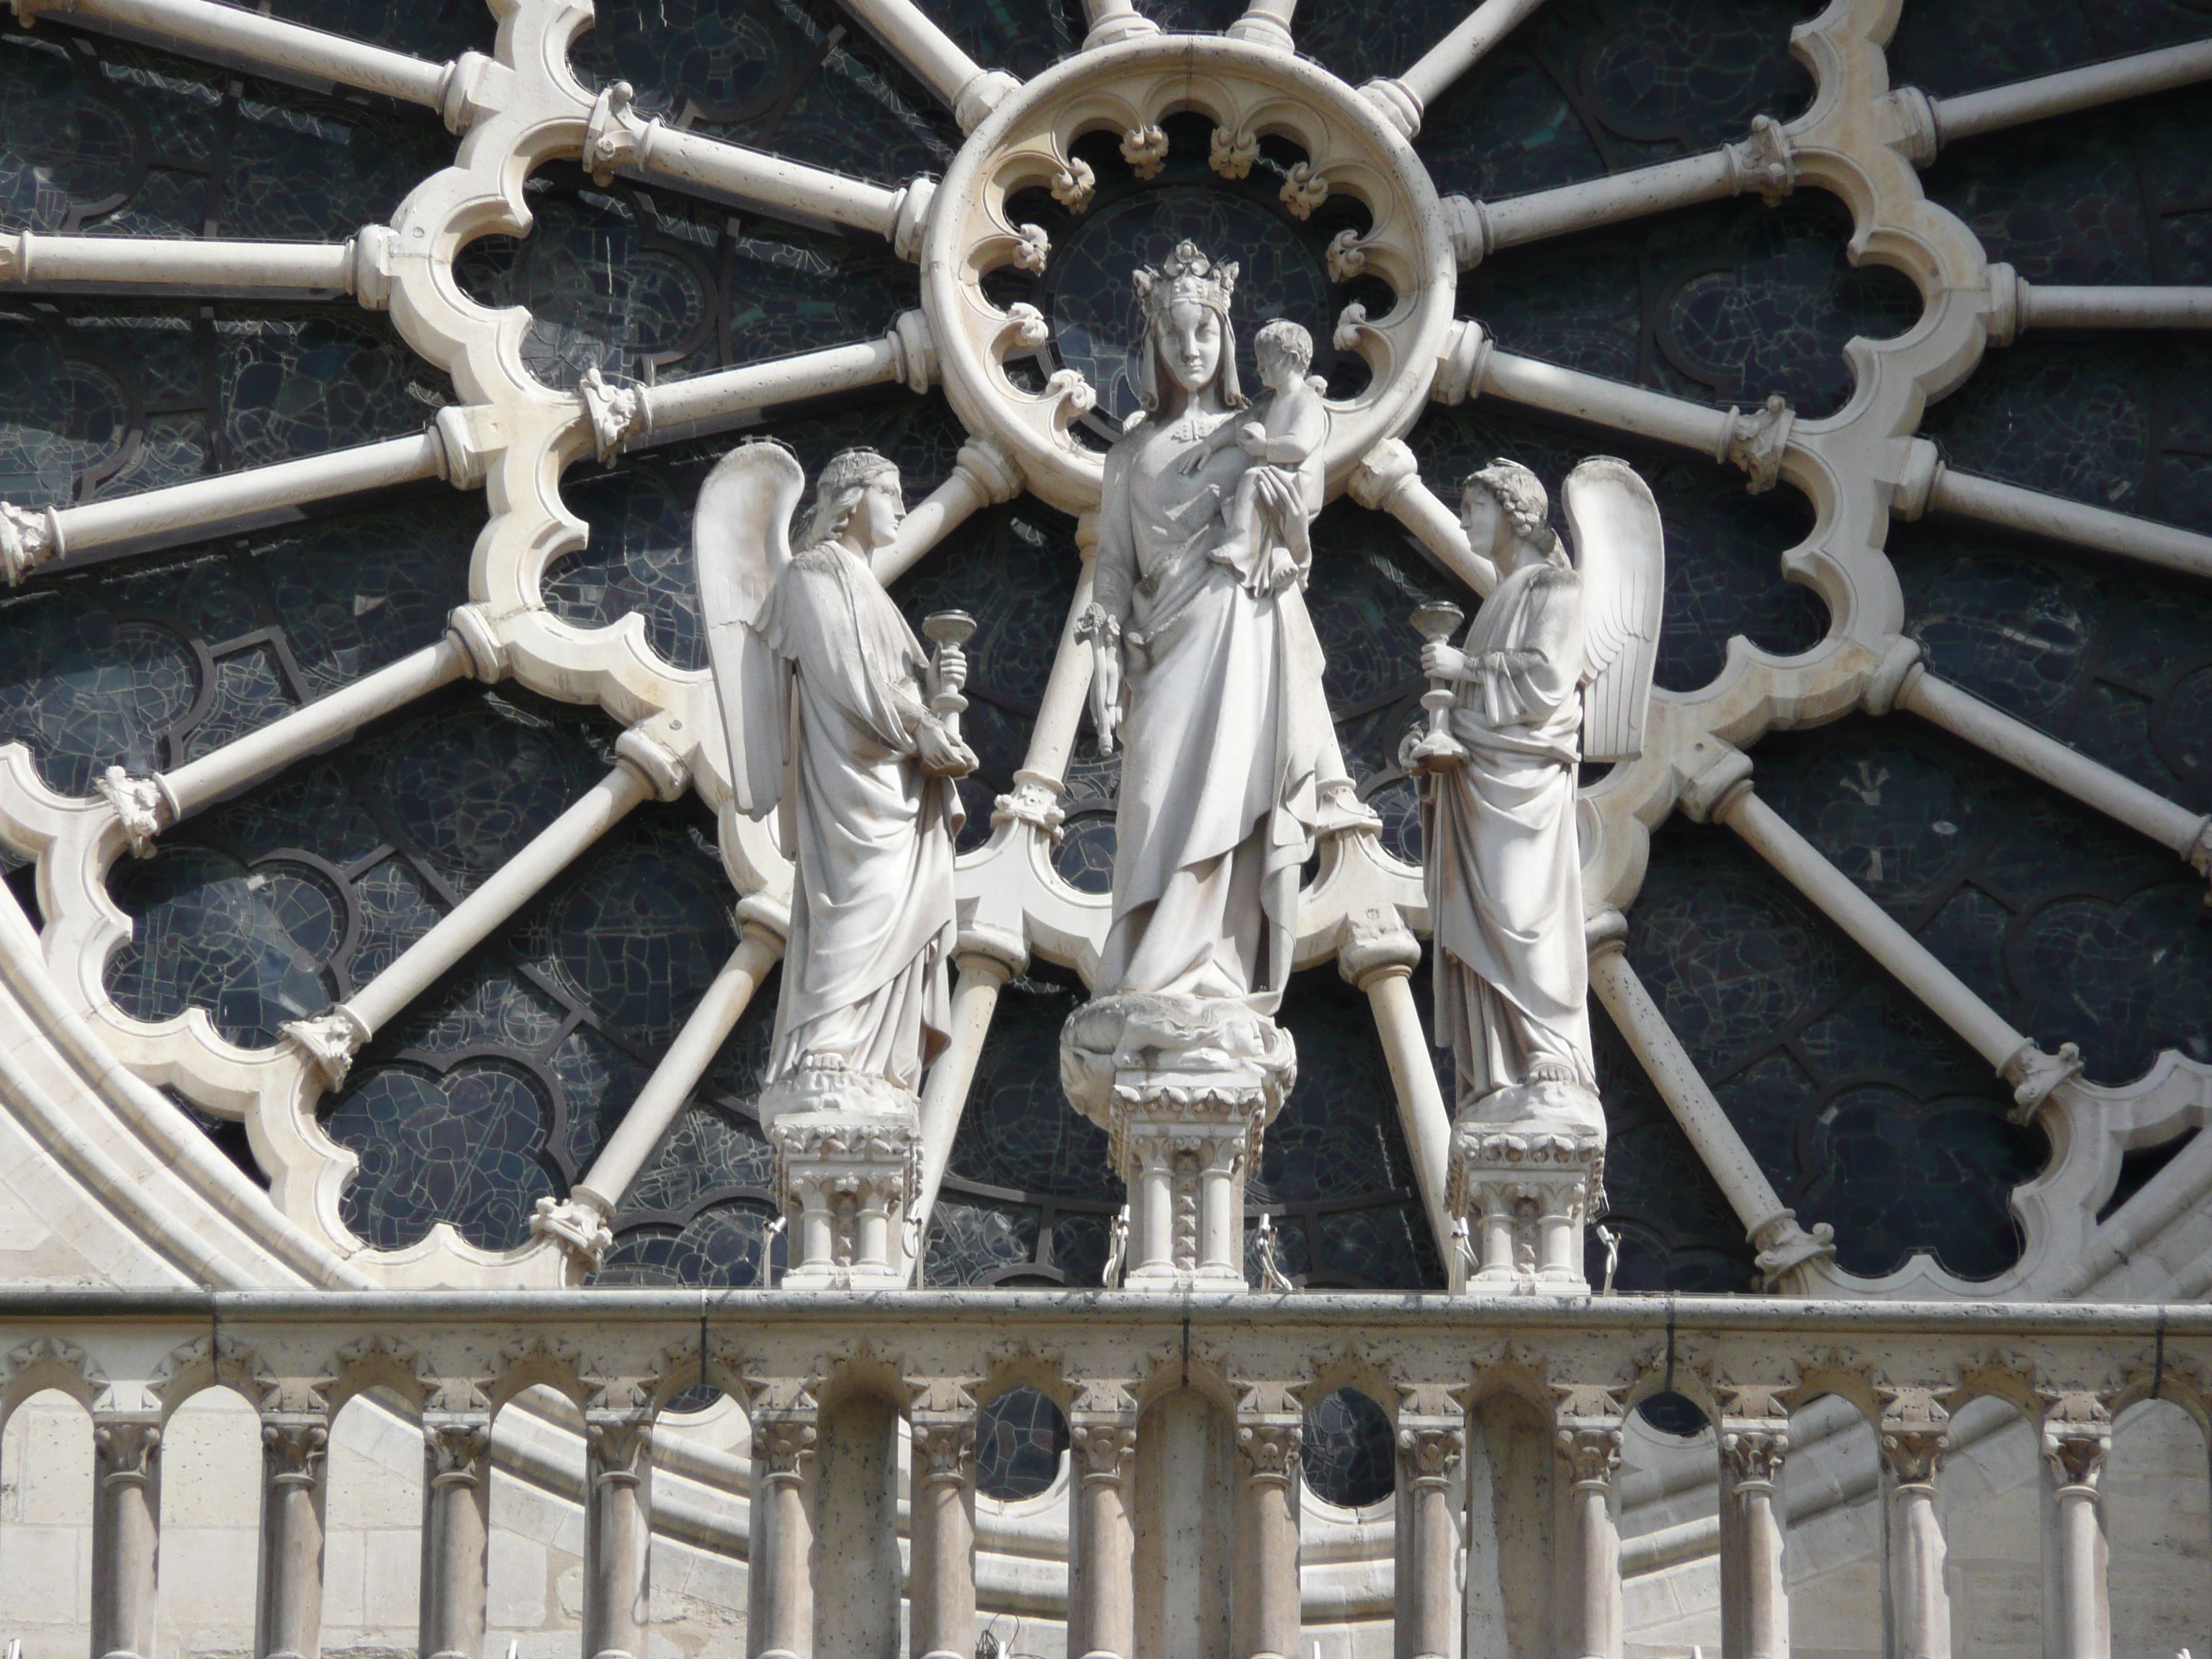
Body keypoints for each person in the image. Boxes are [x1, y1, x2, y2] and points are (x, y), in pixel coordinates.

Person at [1081, 243, 1330, 1010]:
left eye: (1206, 334)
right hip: (1163, 642)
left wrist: (1280, 510)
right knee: (1153, 802)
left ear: (1227, 341)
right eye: (1174, 335)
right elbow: (1116, 563)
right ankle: (1149, 964)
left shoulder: (1263, 426)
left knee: (1233, 796)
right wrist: (1104, 655)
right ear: (1151, 345)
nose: (1191, 349)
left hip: (1241, 629)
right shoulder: (1128, 455)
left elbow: (1302, 506)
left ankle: (1216, 967)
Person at [728, 446, 977, 1092]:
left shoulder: (871, 589)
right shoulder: (812, 573)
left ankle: (876, 1053)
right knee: (853, 908)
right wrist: (923, 723)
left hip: (897, 785)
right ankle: (830, 1039)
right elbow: (849, 681)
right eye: (889, 492)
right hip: (852, 781)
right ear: (850, 501)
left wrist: (939, 689)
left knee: (891, 907)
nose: (901, 506)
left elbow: (890, 683)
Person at [1416, 459, 1601, 1127]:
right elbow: (1481, 702)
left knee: (1525, 913)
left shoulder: (1556, 588)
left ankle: (1547, 1049)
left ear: (1516, 512)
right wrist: (1434, 744)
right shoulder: (1497, 600)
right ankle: (1496, 1068)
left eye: (1475, 505)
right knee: (1487, 916)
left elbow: (1548, 680)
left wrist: (1464, 669)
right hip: (1479, 783)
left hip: (1524, 787)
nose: (1464, 518)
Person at [1184, 317, 1328, 597]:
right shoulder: (1270, 403)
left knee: (1251, 479)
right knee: (1236, 502)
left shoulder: (1307, 400)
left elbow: (1300, 446)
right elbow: (1238, 424)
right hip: (1275, 483)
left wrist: (1265, 447)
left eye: (1266, 362)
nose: (1259, 368)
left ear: (1292, 359)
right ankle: (1278, 559)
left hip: (1296, 485)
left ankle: (1240, 545)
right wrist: (1210, 445)